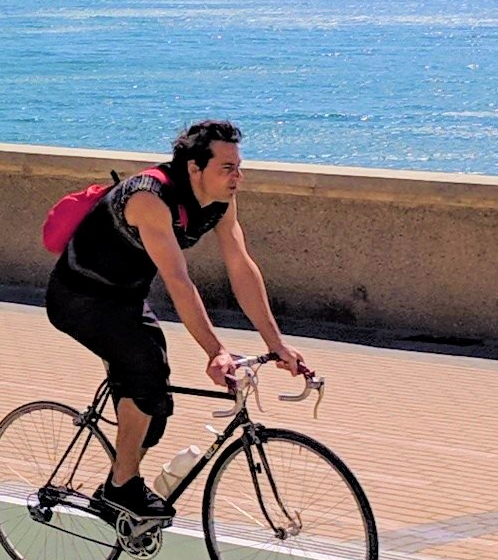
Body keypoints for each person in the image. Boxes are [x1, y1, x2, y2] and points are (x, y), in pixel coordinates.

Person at [44, 118, 310, 533]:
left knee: (157, 403)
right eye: (227, 168)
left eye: (239, 167)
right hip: (78, 296)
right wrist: (216, 351)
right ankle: (121, 488)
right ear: (193, 169)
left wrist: (278, 345)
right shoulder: (150, 197)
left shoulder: (221, 199)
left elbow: (240, 266)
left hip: (125, 297)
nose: (237, 177)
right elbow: (178, 281)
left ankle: (121, 486)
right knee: (143, 365)